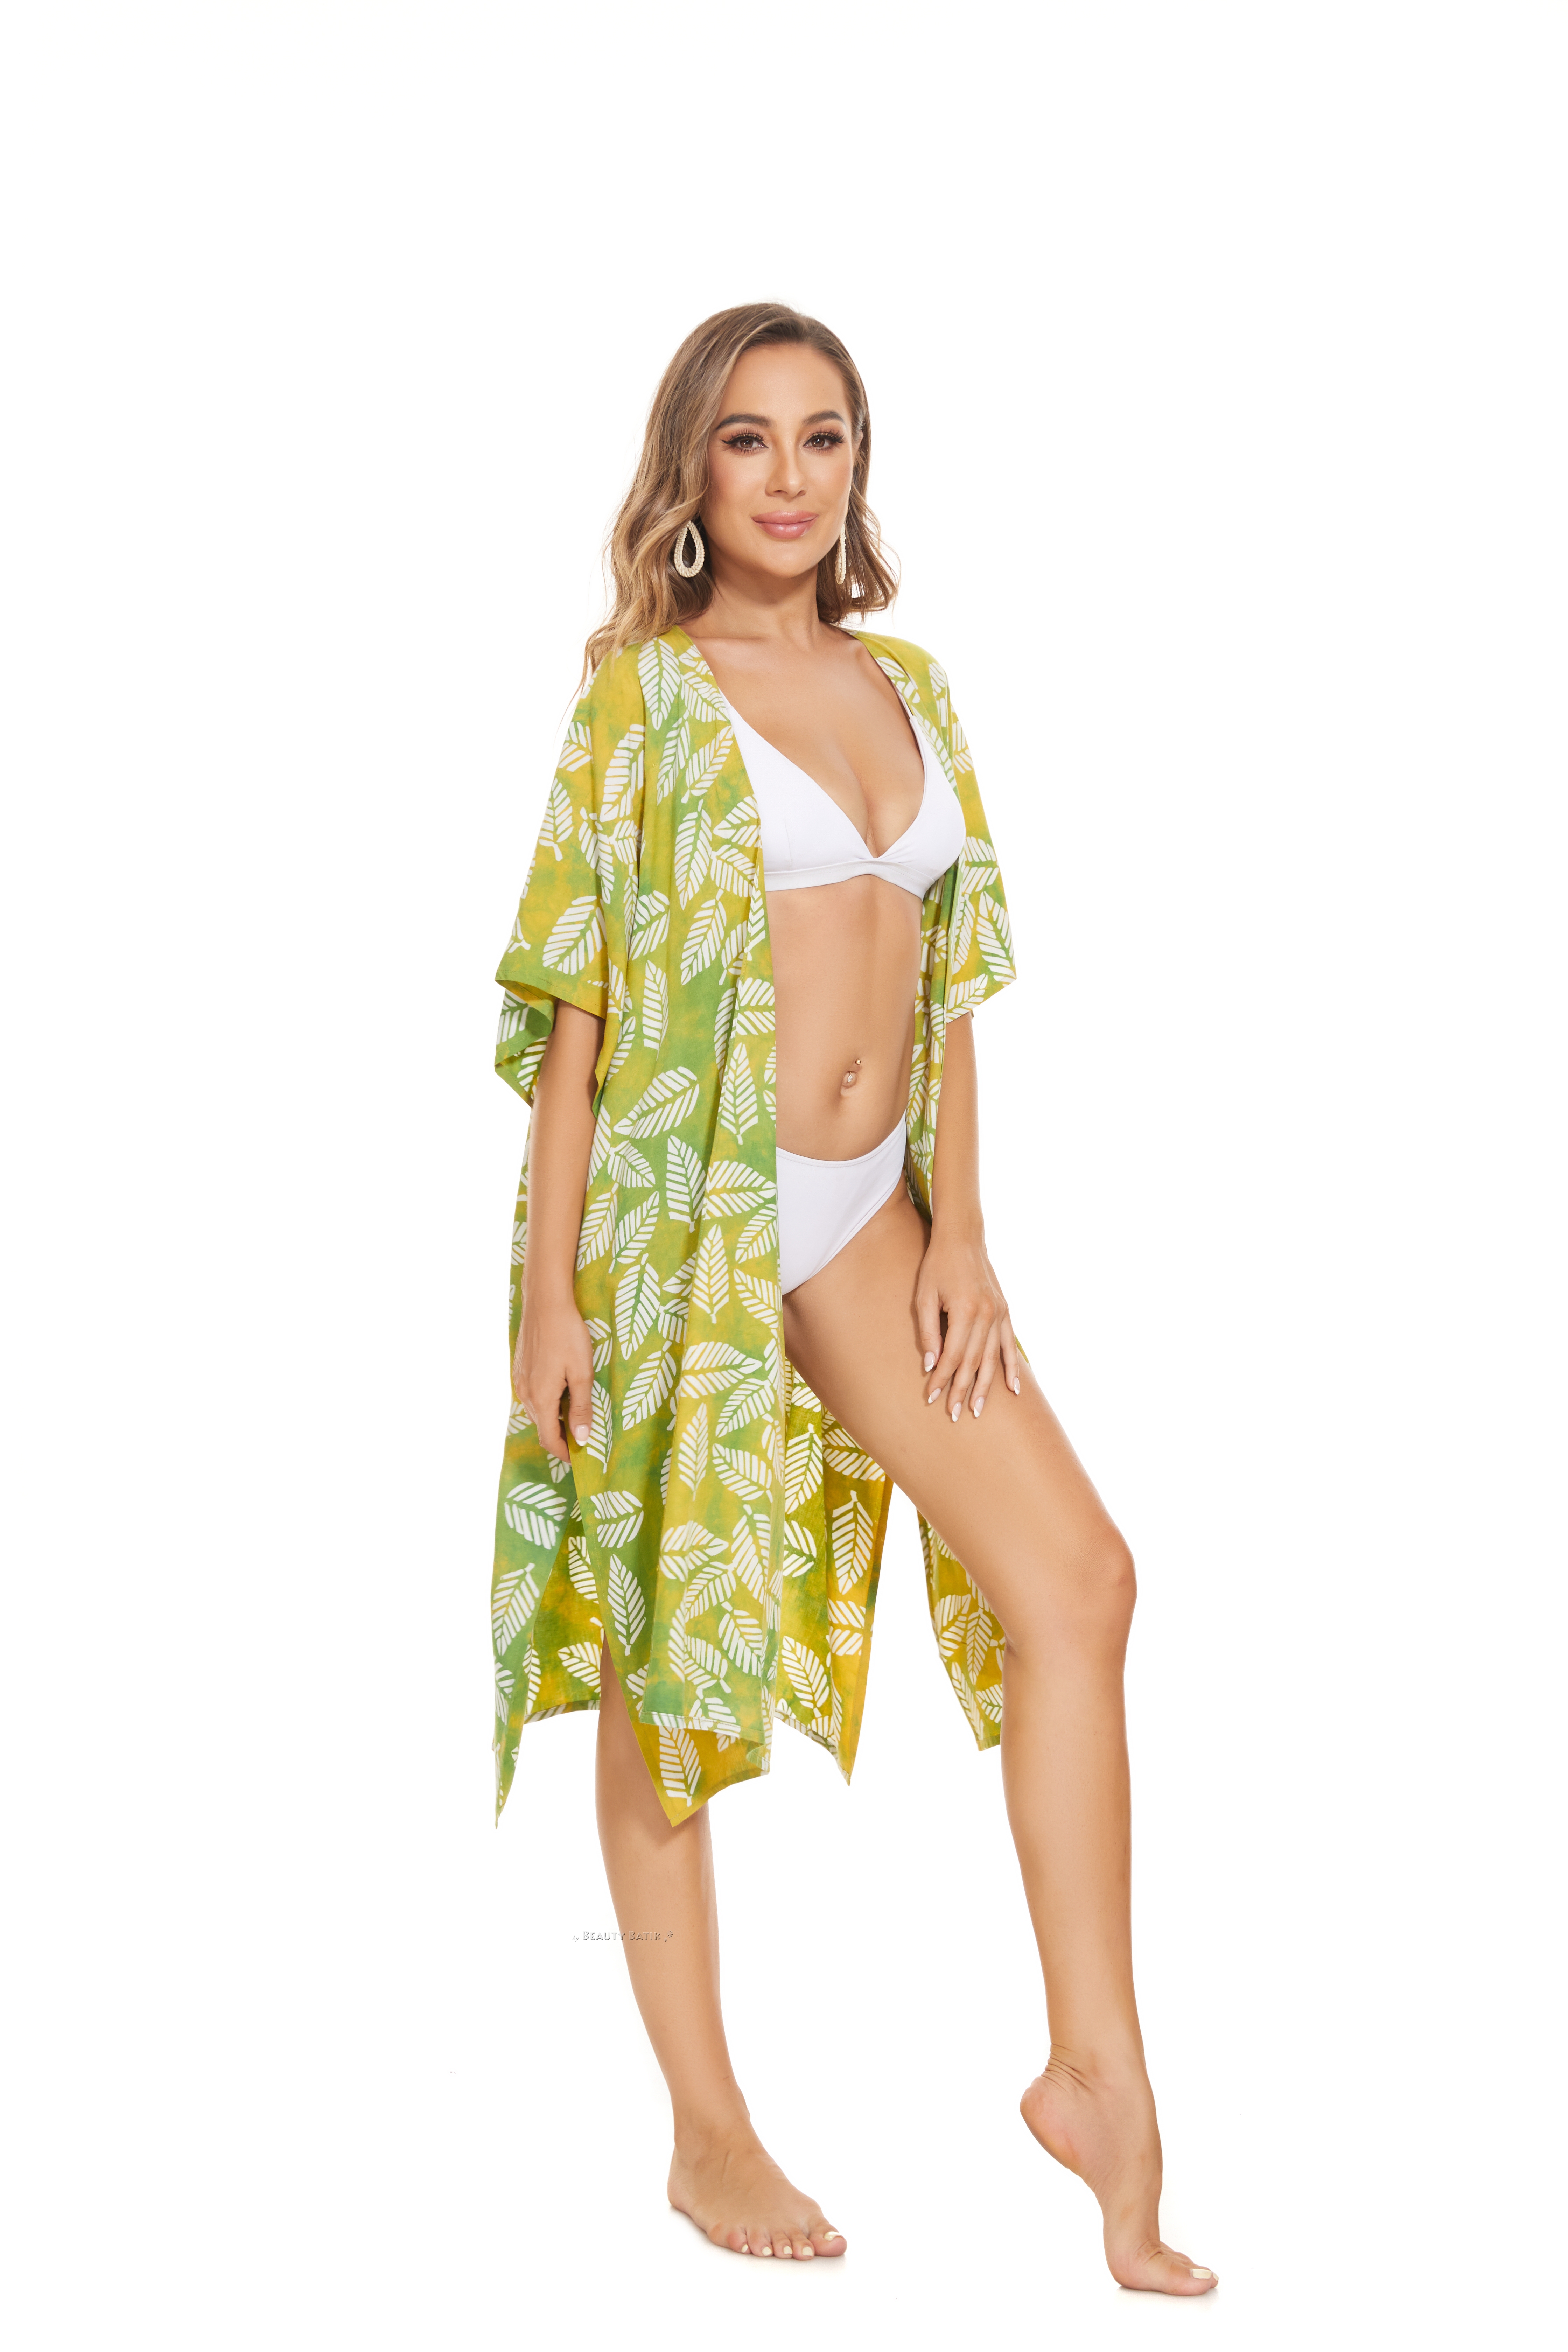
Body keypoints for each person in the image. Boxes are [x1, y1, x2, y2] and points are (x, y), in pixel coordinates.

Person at [490, 302, 1214, 2294]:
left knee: (1079, 1584)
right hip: (683, 1219)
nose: (792, 476)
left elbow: (953, 977)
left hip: (872, 1216)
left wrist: (963, 1231)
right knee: (670, 1655)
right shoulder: (642, 697)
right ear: (692, 470)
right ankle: (704, 2126)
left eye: (825, 437)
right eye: (751, 439)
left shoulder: (913, 685)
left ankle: (1098, 2073)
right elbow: (575, 1016)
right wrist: (550, 1303)